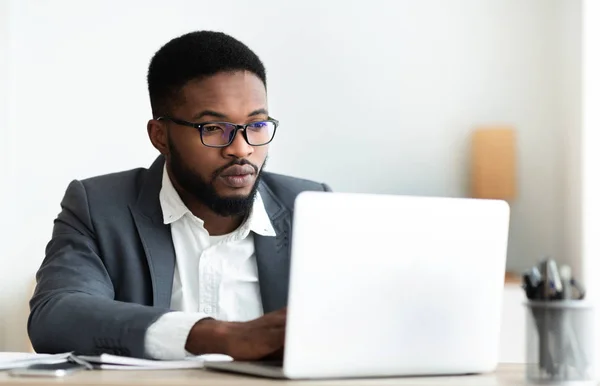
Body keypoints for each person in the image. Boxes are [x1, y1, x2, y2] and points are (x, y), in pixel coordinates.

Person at [28, 30, 331, 360]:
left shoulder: (312, 207)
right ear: (160, 136)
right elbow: (55, 316)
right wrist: (216, 336)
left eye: (256, 125)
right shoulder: (99, 208)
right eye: (213, 128)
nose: (241, 149)